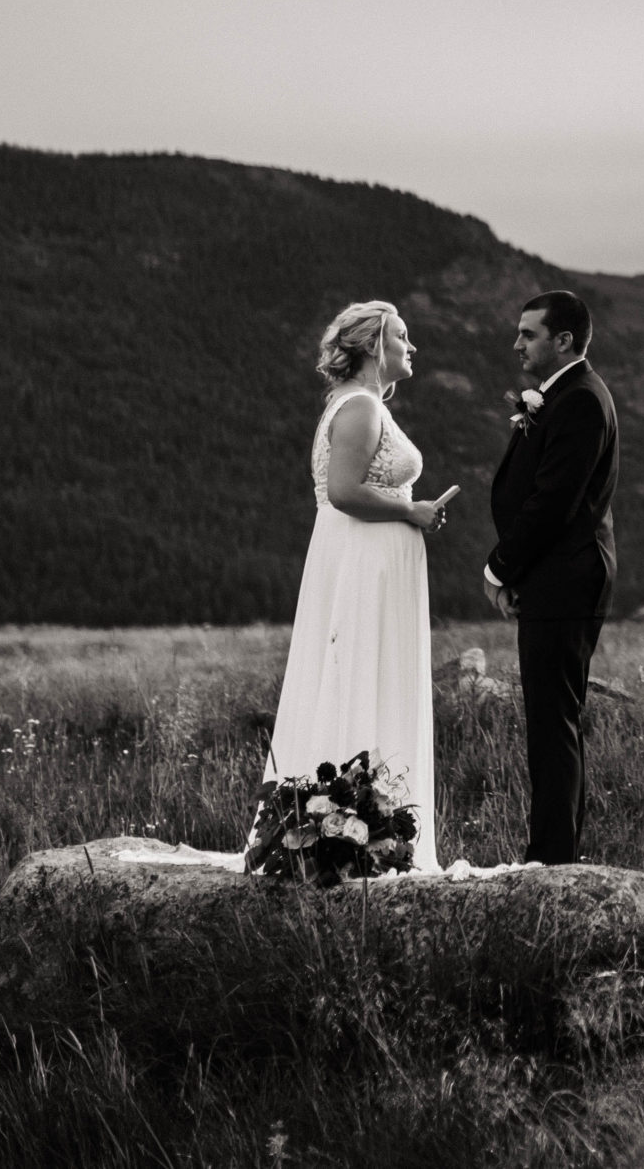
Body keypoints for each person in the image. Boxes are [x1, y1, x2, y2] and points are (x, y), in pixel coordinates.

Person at [259, 301, 457, 870]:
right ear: (374, 346)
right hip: (364, 565)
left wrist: (408, 513)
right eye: (402, 335)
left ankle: (365, 831)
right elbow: (344, 491)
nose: (411, 345)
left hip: (370, 559)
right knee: (362, 673)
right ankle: (350, 834)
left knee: (370, 674)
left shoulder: (358, 405)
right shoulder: (361, 408)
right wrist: (411, 511)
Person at [483, 289, 619, 865]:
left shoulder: (582, 401)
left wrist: (498, 568)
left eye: (528, 334)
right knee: (551, 718)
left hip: (567, 578)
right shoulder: (561, 396)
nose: (517, 343)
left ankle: (552, 861)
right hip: (553, 577)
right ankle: (553, 853)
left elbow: (553, 502)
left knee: (553, 722)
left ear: (563, 340)